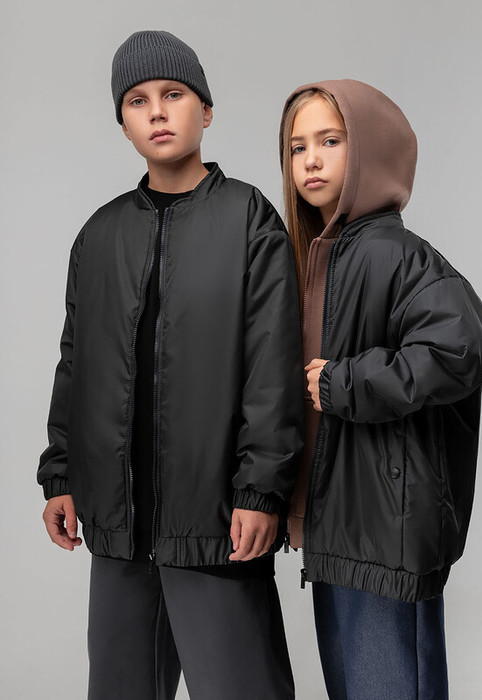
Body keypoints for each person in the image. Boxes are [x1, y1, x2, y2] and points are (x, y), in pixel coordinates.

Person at [37, 30, 302, 700]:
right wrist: (61, 473)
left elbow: (272, 368)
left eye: (173, 94)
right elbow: (76, 364)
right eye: (137, 100)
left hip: (216, 523)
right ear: (123, 123)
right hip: (120, 531)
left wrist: (260, 491)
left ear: (205, 110)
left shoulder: (250, 221)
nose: (156, 111)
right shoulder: (99, 236)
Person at [279, 79, 482, 699]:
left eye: (330, 140)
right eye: (297, 147)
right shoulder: (314, 257)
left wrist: (346, 382)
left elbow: (463, 347)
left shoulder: (394, 254)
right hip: (337, 527)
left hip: (382, 530)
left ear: (370, 148)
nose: (311, 160)